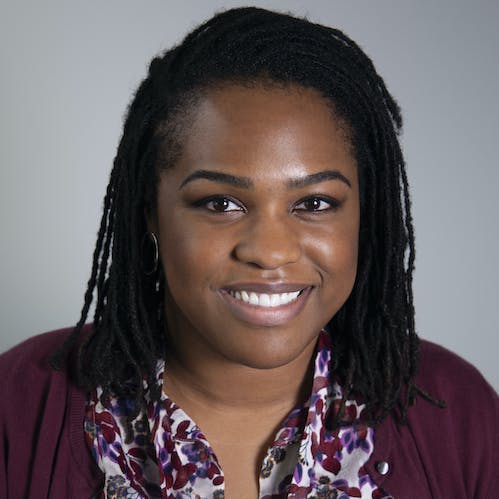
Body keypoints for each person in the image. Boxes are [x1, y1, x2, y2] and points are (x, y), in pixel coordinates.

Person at [0, 6, 497, 499]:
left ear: (366, 215)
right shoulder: (18, 405)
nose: (270, 252)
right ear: (150, 211)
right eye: (221, 203)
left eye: (315, 202)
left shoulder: (456, 413)